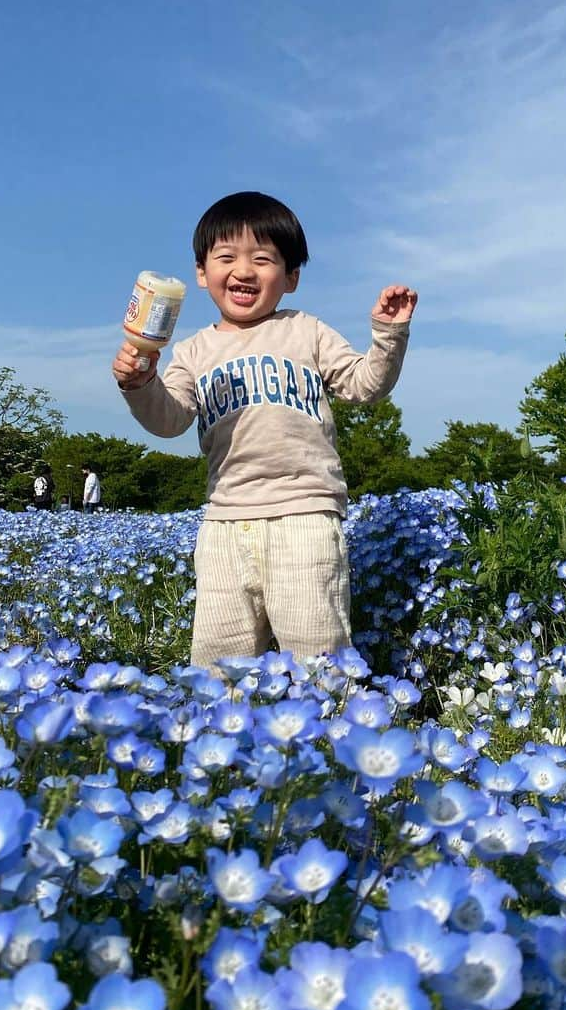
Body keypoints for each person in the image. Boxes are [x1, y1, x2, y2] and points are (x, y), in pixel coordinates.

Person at [111, 190, 417, 667]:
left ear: (291, 277)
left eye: (263, 259)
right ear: (200, 272)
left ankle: (326, 737)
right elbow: (168, 421)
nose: (244, 270)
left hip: (305, 516)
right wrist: (139, 383)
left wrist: (387, 336)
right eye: (226, 257)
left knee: (318, 657)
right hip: (224, 523)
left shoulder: (305, 330)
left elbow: (364, 385)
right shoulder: (192, 351)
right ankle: (215, 735)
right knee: (218, 664)